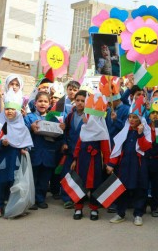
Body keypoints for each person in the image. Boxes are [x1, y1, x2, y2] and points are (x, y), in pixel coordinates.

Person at [106, 96, 152, 226]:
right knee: (122, 190)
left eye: (135, 117)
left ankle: (138, 214)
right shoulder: (125, 131)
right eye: (130, 117)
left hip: (139, 166)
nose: (131, 120)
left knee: (139, 190)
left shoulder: (145, 132)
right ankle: (120, 213)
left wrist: (140, 134)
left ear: (141, 119)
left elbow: (145, 147)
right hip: (125, 166)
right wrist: (111, 163)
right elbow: (117, 148)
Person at [0, 89, 33, 217]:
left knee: (14, 182)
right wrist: (0, 144)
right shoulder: (0, 125)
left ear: (18, 111)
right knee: (0, 182)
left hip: (16, 159)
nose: (9, 111)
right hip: (2, 159)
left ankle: (12, 204)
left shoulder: (22, 127)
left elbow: (28, 144)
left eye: (13, 109)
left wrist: (25, 149)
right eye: (7, 108)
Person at [71, 92, 111, 221]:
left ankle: (94, 208)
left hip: (95, 161)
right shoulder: (84, 129)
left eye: (87, 115)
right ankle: (78, 207)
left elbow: (105, 148)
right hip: (82, 160)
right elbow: (78, 145)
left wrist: (108, 163)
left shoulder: (101, 131)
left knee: (95, 184)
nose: (84, 117)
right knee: (80, 183)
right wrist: (75, 159)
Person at [24, 92, 65, 209]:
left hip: (49, 153)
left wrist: (62, 129)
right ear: (35, 103)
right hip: (34, 153)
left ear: (50, 104)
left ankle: (40, 199)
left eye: (45, 101)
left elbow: (60, 138)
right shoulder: (29, 117)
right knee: (33, 178)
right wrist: (30, 128)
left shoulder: (54, 118)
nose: (43, 104)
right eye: (40, 101)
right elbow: (22, 134)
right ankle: (31, 200)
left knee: (44, 179)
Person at [60, 90, 87, 209]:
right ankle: (66, 198)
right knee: (67, 174)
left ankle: (80, 197)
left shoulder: (89, 116)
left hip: (83, 151)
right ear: (74, 101)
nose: (80, 103)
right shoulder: (70, 116)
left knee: (81, 175)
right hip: (70, 150)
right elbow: (66, 131)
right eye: (78, 100)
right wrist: (65, 143)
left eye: (83, 100)